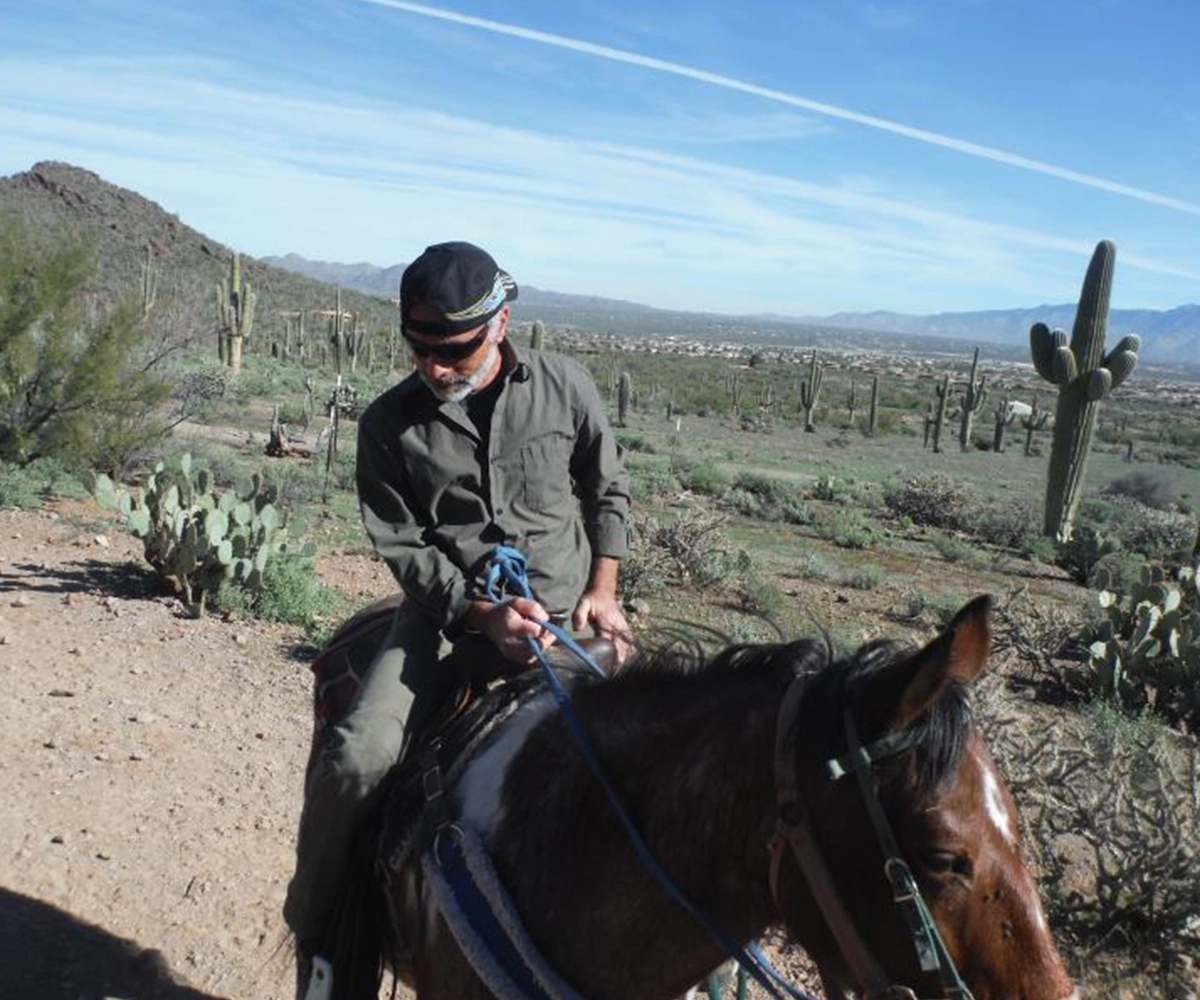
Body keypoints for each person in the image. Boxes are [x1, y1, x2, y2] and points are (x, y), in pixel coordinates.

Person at [283, 240, 632, 995]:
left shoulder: (566, 388)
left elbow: (606, 492)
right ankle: (320, 935)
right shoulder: (387, 425)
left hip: (568, 609)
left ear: (501, 324)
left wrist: (605, 588)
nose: (436, 367)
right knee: (358, 758)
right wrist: (479, 613)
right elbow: (402, 544)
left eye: (457, 349)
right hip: (443, 614)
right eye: (420, 348)